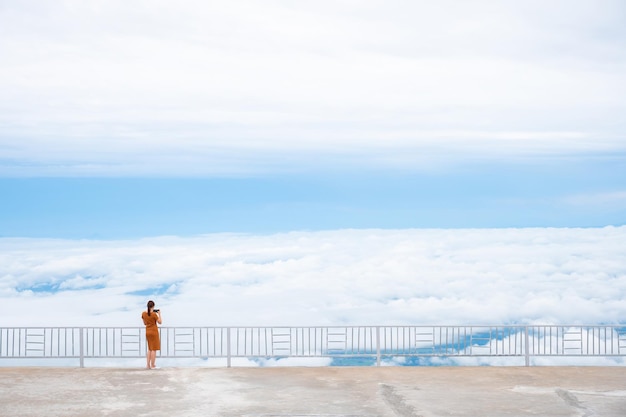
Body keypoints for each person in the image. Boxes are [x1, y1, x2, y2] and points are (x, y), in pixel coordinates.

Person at [141, 300, 162, 369]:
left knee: (150, 348)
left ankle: (148, 365)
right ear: (153, 306)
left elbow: (144, 323)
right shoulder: (154, 314)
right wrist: (159, 314)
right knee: (154, 349)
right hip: (154, 332)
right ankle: (153, 365)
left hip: (147, 332)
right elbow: (160, 322)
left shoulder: (143, 313)